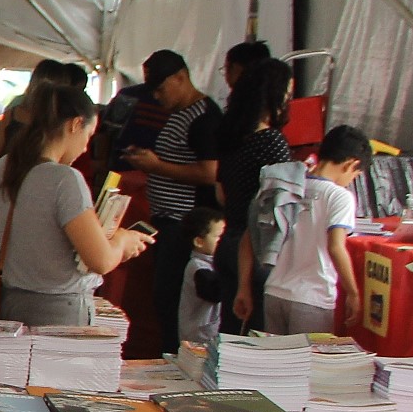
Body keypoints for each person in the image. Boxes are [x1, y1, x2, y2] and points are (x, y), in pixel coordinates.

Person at [0, 83, 148, 327]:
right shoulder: (64, 179)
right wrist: (122, 240)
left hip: (11, 302)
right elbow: (101, 261)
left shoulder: (4, 167)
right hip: (60, 310)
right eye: (88, 136)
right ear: (75, 124)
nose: (85, 148)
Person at [117, 49, 221, 350]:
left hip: (183, 223)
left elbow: (209, 172)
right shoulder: (178, 114)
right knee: (163, 298)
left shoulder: (204, 118)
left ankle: (176, 357)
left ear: (181, 77)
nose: (158, 97)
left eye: (161, 89)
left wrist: (156, 166)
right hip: (167, 219)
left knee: (171, 298)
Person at [243, 126, 371, 337]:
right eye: (355, 175)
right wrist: (353, 293)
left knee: (277, 365)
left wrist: (244, 285)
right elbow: (335, 246)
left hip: (275, 291)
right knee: (307, 366)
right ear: (351, 164)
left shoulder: (286, 186)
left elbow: (251, 235)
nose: (352, 181)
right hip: (313, 297)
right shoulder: (340, 196)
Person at [212, 57, 294, 333]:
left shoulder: (232, 139)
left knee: (231, 336)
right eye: (287, 94)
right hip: (255, 248)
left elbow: (221, 193)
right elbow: (280, 205)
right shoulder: (271, 142)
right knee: (254, 343)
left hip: (228, 240)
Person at [180, 208, 227, 347]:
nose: (223, 242)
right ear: (199, 242)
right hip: (198, 336)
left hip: (207, 333)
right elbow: (214, 293)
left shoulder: (211, 262)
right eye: (218, 237)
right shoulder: (197, 267)